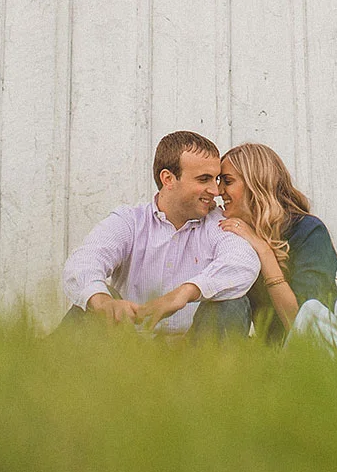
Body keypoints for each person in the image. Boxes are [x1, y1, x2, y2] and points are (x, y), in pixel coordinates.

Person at [58, 131, 260, 339]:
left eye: (215, 179)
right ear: (168, 179)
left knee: (232, 301)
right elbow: (84, 261)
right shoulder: (130, 221)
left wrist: (183, 293)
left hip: (196, 355)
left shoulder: (217, 222)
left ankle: (216, 371)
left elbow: (243, 262)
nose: (215, 191)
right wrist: (102, 301)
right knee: (92, 302)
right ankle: (46, 367)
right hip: (130, 351)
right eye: (203, 179)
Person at [217, 142, 337, 349]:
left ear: (255, 184)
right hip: (286, 358)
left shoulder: (307, 230)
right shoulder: (234, 237)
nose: (218, 190)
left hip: (330, 347)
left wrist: (264, 251)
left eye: (227, 181)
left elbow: (301, 319)